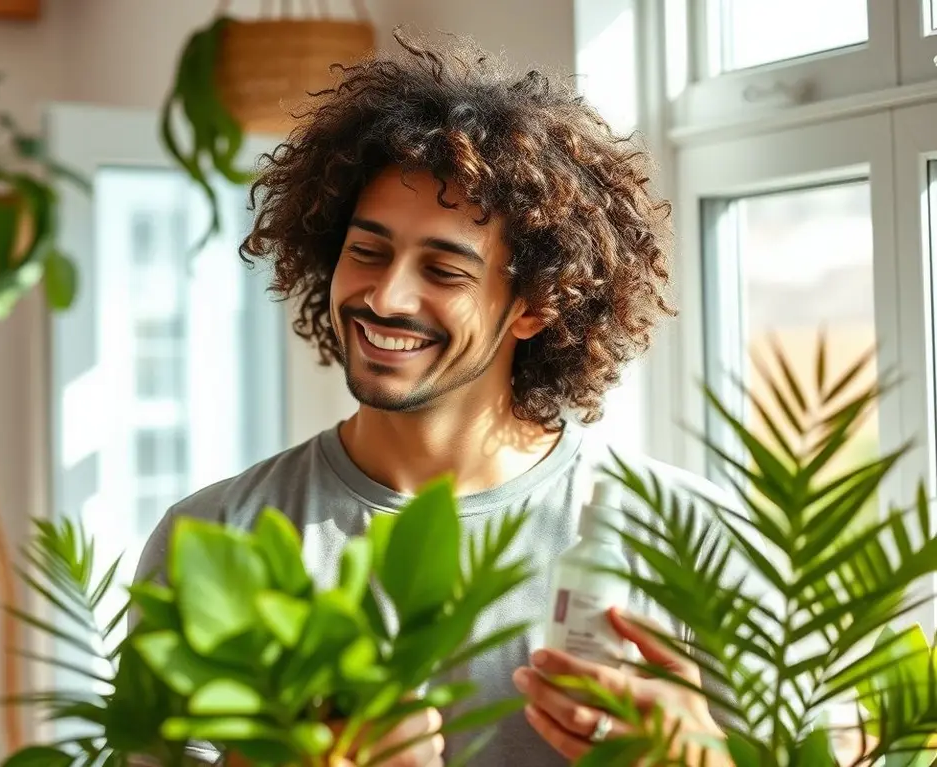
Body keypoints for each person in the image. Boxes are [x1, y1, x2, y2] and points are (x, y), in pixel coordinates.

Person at [133, 27, 736, 767]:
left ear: (536, 306)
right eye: (368, 250)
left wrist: (706, 759)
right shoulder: (213, 536)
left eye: (445, 271)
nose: (385, 295)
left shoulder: (696, 537)